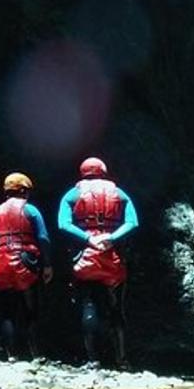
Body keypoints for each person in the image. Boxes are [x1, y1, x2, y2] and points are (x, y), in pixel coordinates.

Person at [57, 156, 139, 368]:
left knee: (88, 304)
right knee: (117, 309)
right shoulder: (119, 193)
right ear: (103, 171)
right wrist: (111, 238)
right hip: (112, 255)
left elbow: (63, 224)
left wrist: (88, 238)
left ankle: (93, 360)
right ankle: (122, 360)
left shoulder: (72, 194)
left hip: (86, 256)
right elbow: (133, 222)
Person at [0, 172, 52, 360]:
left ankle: (11, 356)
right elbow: (43, 237)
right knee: (31, 310)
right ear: (24, 191)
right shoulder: (30, 210)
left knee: (7, 312)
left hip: (0, 262)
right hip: (25, 262)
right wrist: (47, 264)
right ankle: (35, 354)